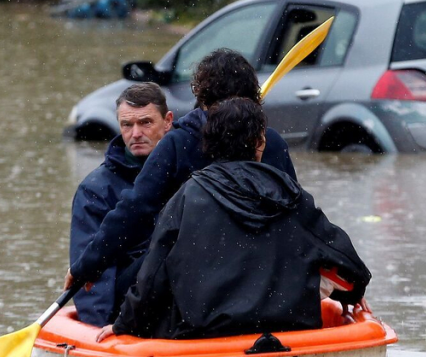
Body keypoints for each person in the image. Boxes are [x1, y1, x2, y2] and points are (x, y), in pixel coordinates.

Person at [98, 97, 371, 340]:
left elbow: (152, 277)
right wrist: (351, 294)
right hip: (287, 329)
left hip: (204, 332)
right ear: (260, 143)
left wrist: (126, 325)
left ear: (208, 145)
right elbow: (351, 267)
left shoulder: (186, 197)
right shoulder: (292, 195)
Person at [65, 48, 297, 303]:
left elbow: (135, 211)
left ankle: (122, 320)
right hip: (262, 274)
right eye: (127, 125)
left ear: (201, 94)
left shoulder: (178, 143)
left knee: (135, 275)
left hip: (191, 278)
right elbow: (295, 213)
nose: (136, 133)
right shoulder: (271, 142)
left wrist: (87, 266)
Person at [69, 82, 173, 326]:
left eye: (145, 123)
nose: (135, 133)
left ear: (167, 121)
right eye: (127, 125)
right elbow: (92, 279)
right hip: (131, 308)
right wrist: (102, 328)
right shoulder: (95, 189)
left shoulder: (188, 171)